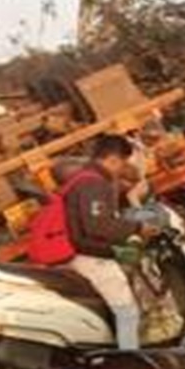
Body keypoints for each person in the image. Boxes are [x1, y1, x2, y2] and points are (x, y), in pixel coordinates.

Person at [65, 135, 156, 350]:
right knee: (127, 311)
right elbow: (99, 226)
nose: (122, 170)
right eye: (123, 163)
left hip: (87, 251)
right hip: (89, 255)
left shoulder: (83, 177)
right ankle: (127, 365)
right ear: (114, 159)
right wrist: (137, 228)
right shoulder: (94, 183)